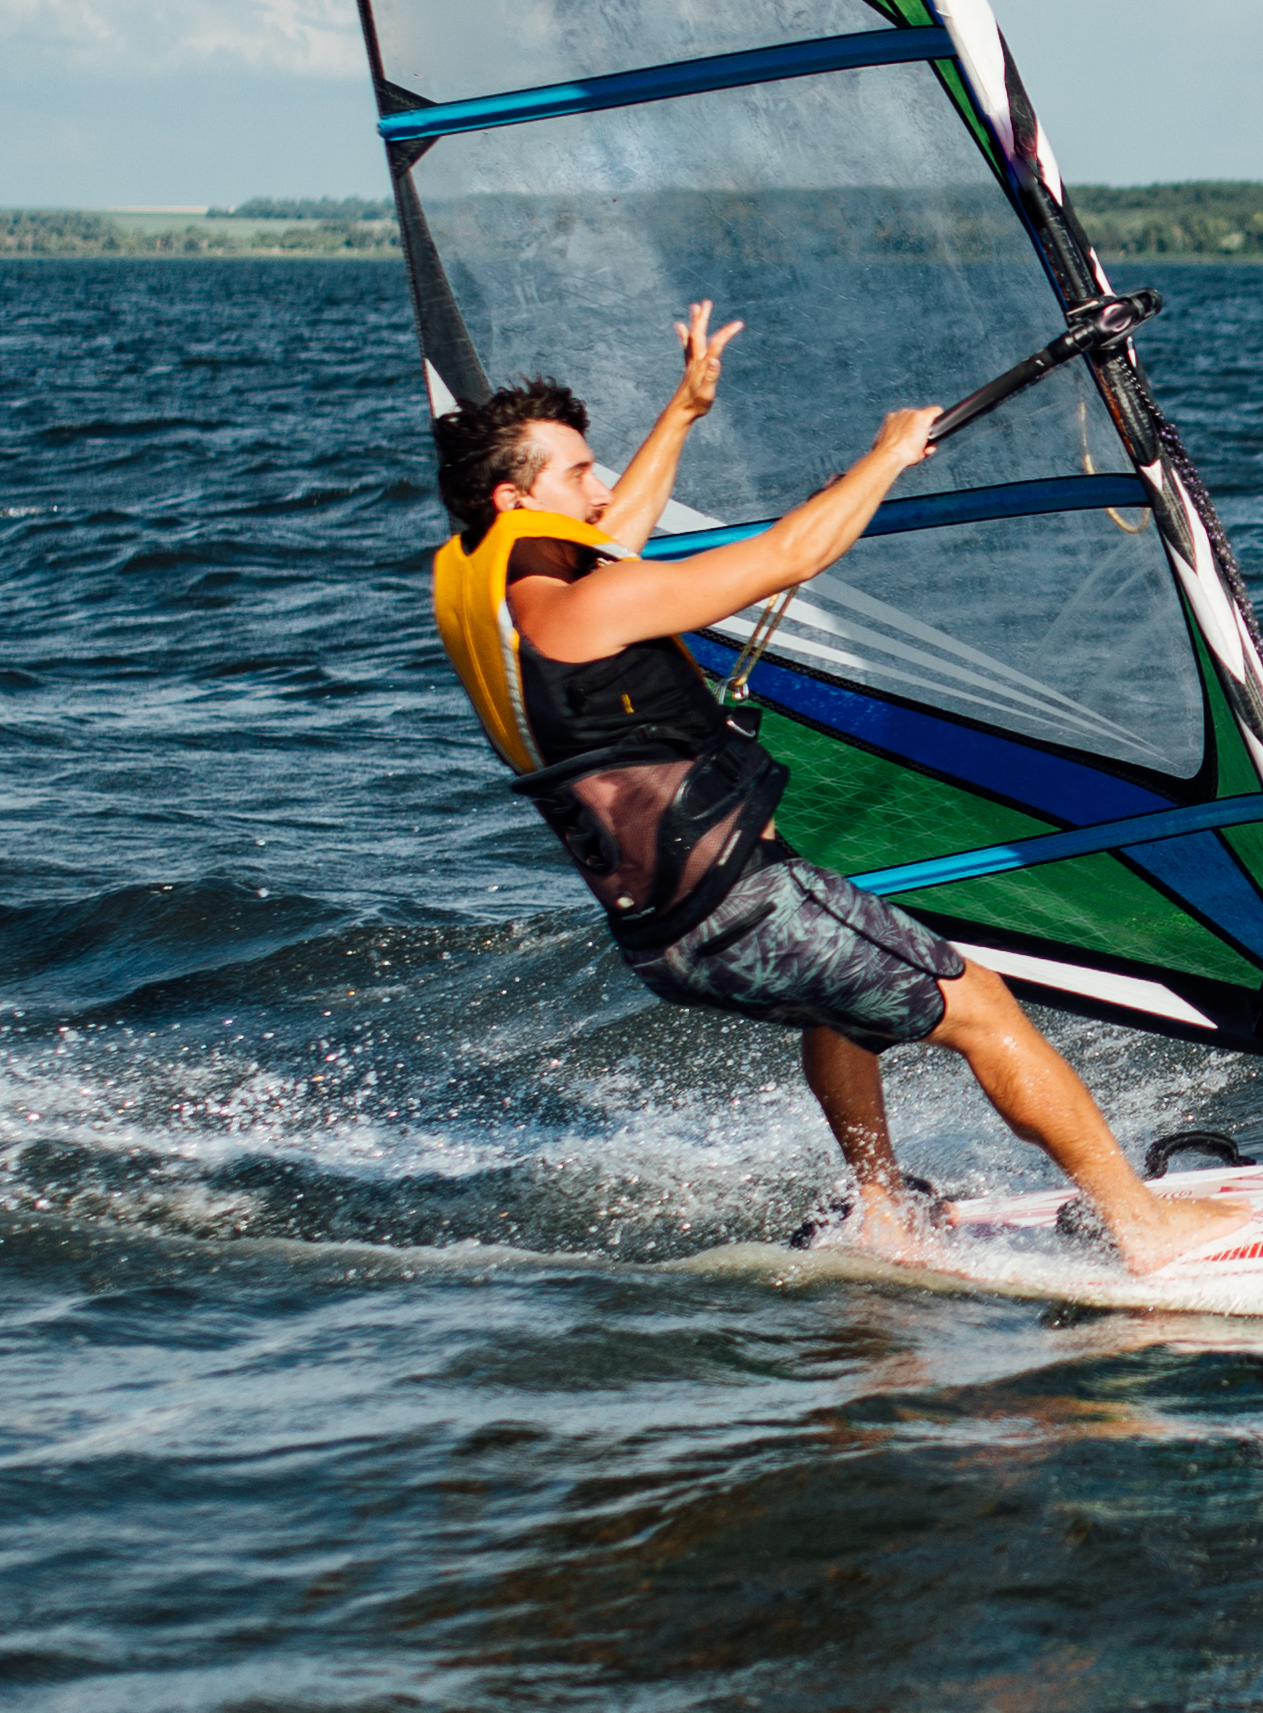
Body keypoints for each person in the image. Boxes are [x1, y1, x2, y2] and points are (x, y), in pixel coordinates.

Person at [427, 306, 1200, 1273]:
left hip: (659, 933)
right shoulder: (590, 609)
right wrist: (887, 455)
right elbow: (792, 555)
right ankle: (1138, 1223)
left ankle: (879, 1205)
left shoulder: (485, 582)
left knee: (841, 1003)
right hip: (740, 901)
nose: (602, 484)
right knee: (985, 1009)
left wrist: (685, 410)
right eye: (577, 471)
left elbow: (609, 532)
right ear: (514, 499)